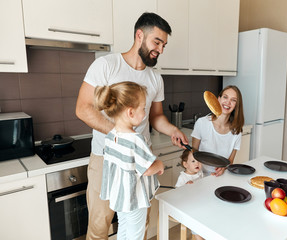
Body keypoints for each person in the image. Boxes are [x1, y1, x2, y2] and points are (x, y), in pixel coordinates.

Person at [75, 12, 188, 240]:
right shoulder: (106, 65)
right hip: (107, 159)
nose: (161, 50)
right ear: (139, 35)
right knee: (100, 224)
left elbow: (156, 117)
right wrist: (122, 136)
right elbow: (83, 108)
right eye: (157, 42)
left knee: (137, 222)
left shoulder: (155, 79)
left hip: (141, 158)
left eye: (164, 45)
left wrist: (173, 130)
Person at [94, 82, 164, 240]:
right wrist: (159, 165)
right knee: (135, 235)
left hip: (119, 195)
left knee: (124, 228)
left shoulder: (112, 135)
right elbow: (147, 169)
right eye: (143, 108)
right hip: (134, 198)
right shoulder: (135, 139)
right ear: (131, 112)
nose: (145, 113)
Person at [192, 85, 245, 177]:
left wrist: (224, 168)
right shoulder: (202, 123)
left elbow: (230, 161)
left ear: (236, 105)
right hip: (200, 177)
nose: (228, 102)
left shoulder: (237, 131)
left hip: (222, 176)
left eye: (233, 100)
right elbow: (194, 153)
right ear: (218, 99)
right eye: (225, 97)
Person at [174, 149, 204, 240]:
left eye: (199, 161)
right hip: (187, 206)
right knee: (195, 218)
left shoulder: (200, 174)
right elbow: (177, 192)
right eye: (193, 161)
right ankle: (198, 236)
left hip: (198, 203)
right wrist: (185, 187)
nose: (197, 163)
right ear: (185, 164)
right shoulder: (183, 177)